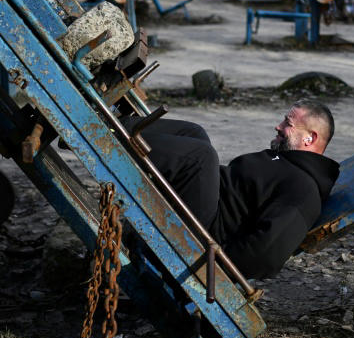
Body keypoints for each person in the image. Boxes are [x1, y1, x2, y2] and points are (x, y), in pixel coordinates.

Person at [124, 99, 340, 279]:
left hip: (204, 237)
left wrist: (214, 264)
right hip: (209, 203)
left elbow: (266, 254)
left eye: (288, 123)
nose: (278, 126)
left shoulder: (304, 190)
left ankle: (109, 136)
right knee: (194, 132)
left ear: (309, 138)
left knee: (201, 156)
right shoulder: (287, 162)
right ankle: (115, 123)